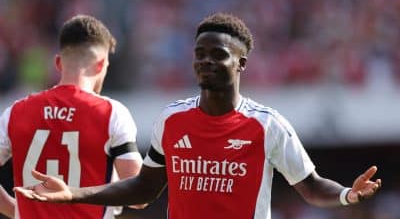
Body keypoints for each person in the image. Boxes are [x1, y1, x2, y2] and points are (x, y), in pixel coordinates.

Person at [15, 13, 381, 219]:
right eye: (199, 52)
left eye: (217, 54)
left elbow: (311, 186)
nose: (205, 60)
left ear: (241, 63)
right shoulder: (171, 121)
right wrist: (74, 195)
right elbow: (144, 187)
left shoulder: (267, 125)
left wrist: (348, 194)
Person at [0, 15, 144, 219]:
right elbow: (139, 196)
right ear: (101, 65)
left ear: (58, 63)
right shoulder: (112, 113)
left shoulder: (15, 112)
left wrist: (16, 211)